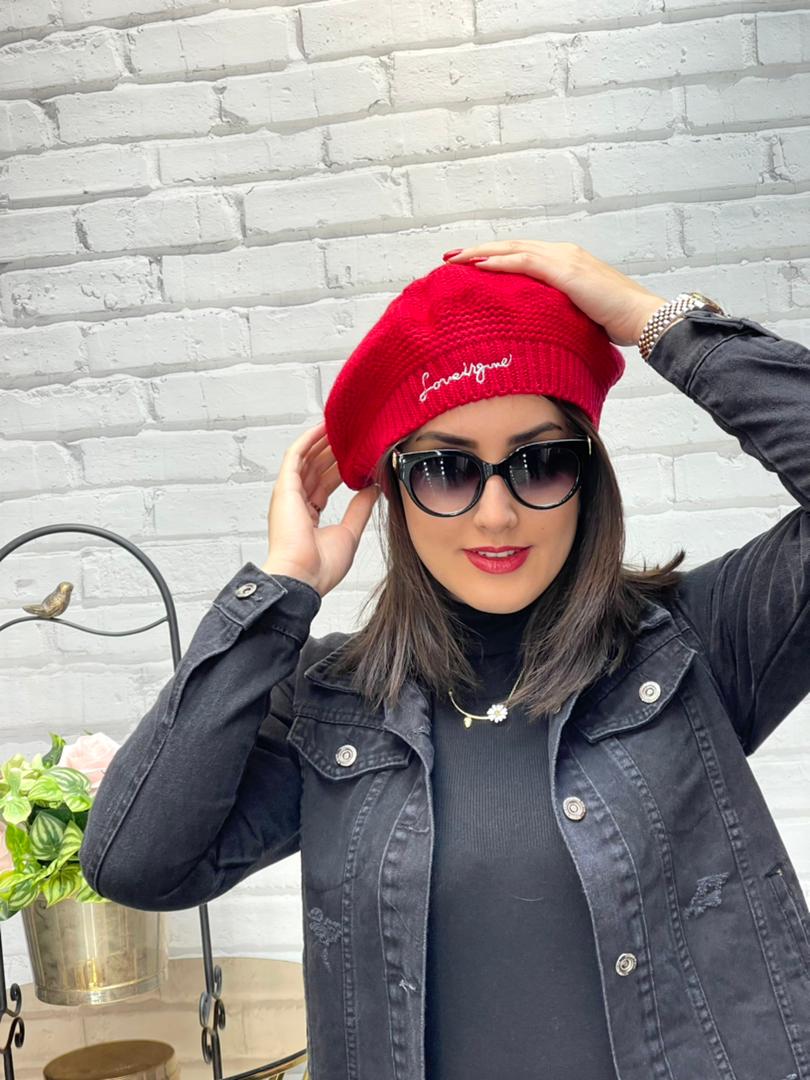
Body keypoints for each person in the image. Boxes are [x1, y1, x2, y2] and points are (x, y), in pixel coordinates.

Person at [79, 241, 810, 1080]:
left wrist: (656, 321)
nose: (496, 514)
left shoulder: (693, 646)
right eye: (445, 470)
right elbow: (132, 861)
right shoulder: (332, 705)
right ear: (394, 491)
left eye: (540, 461)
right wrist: (282, 591)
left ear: (588, 477)